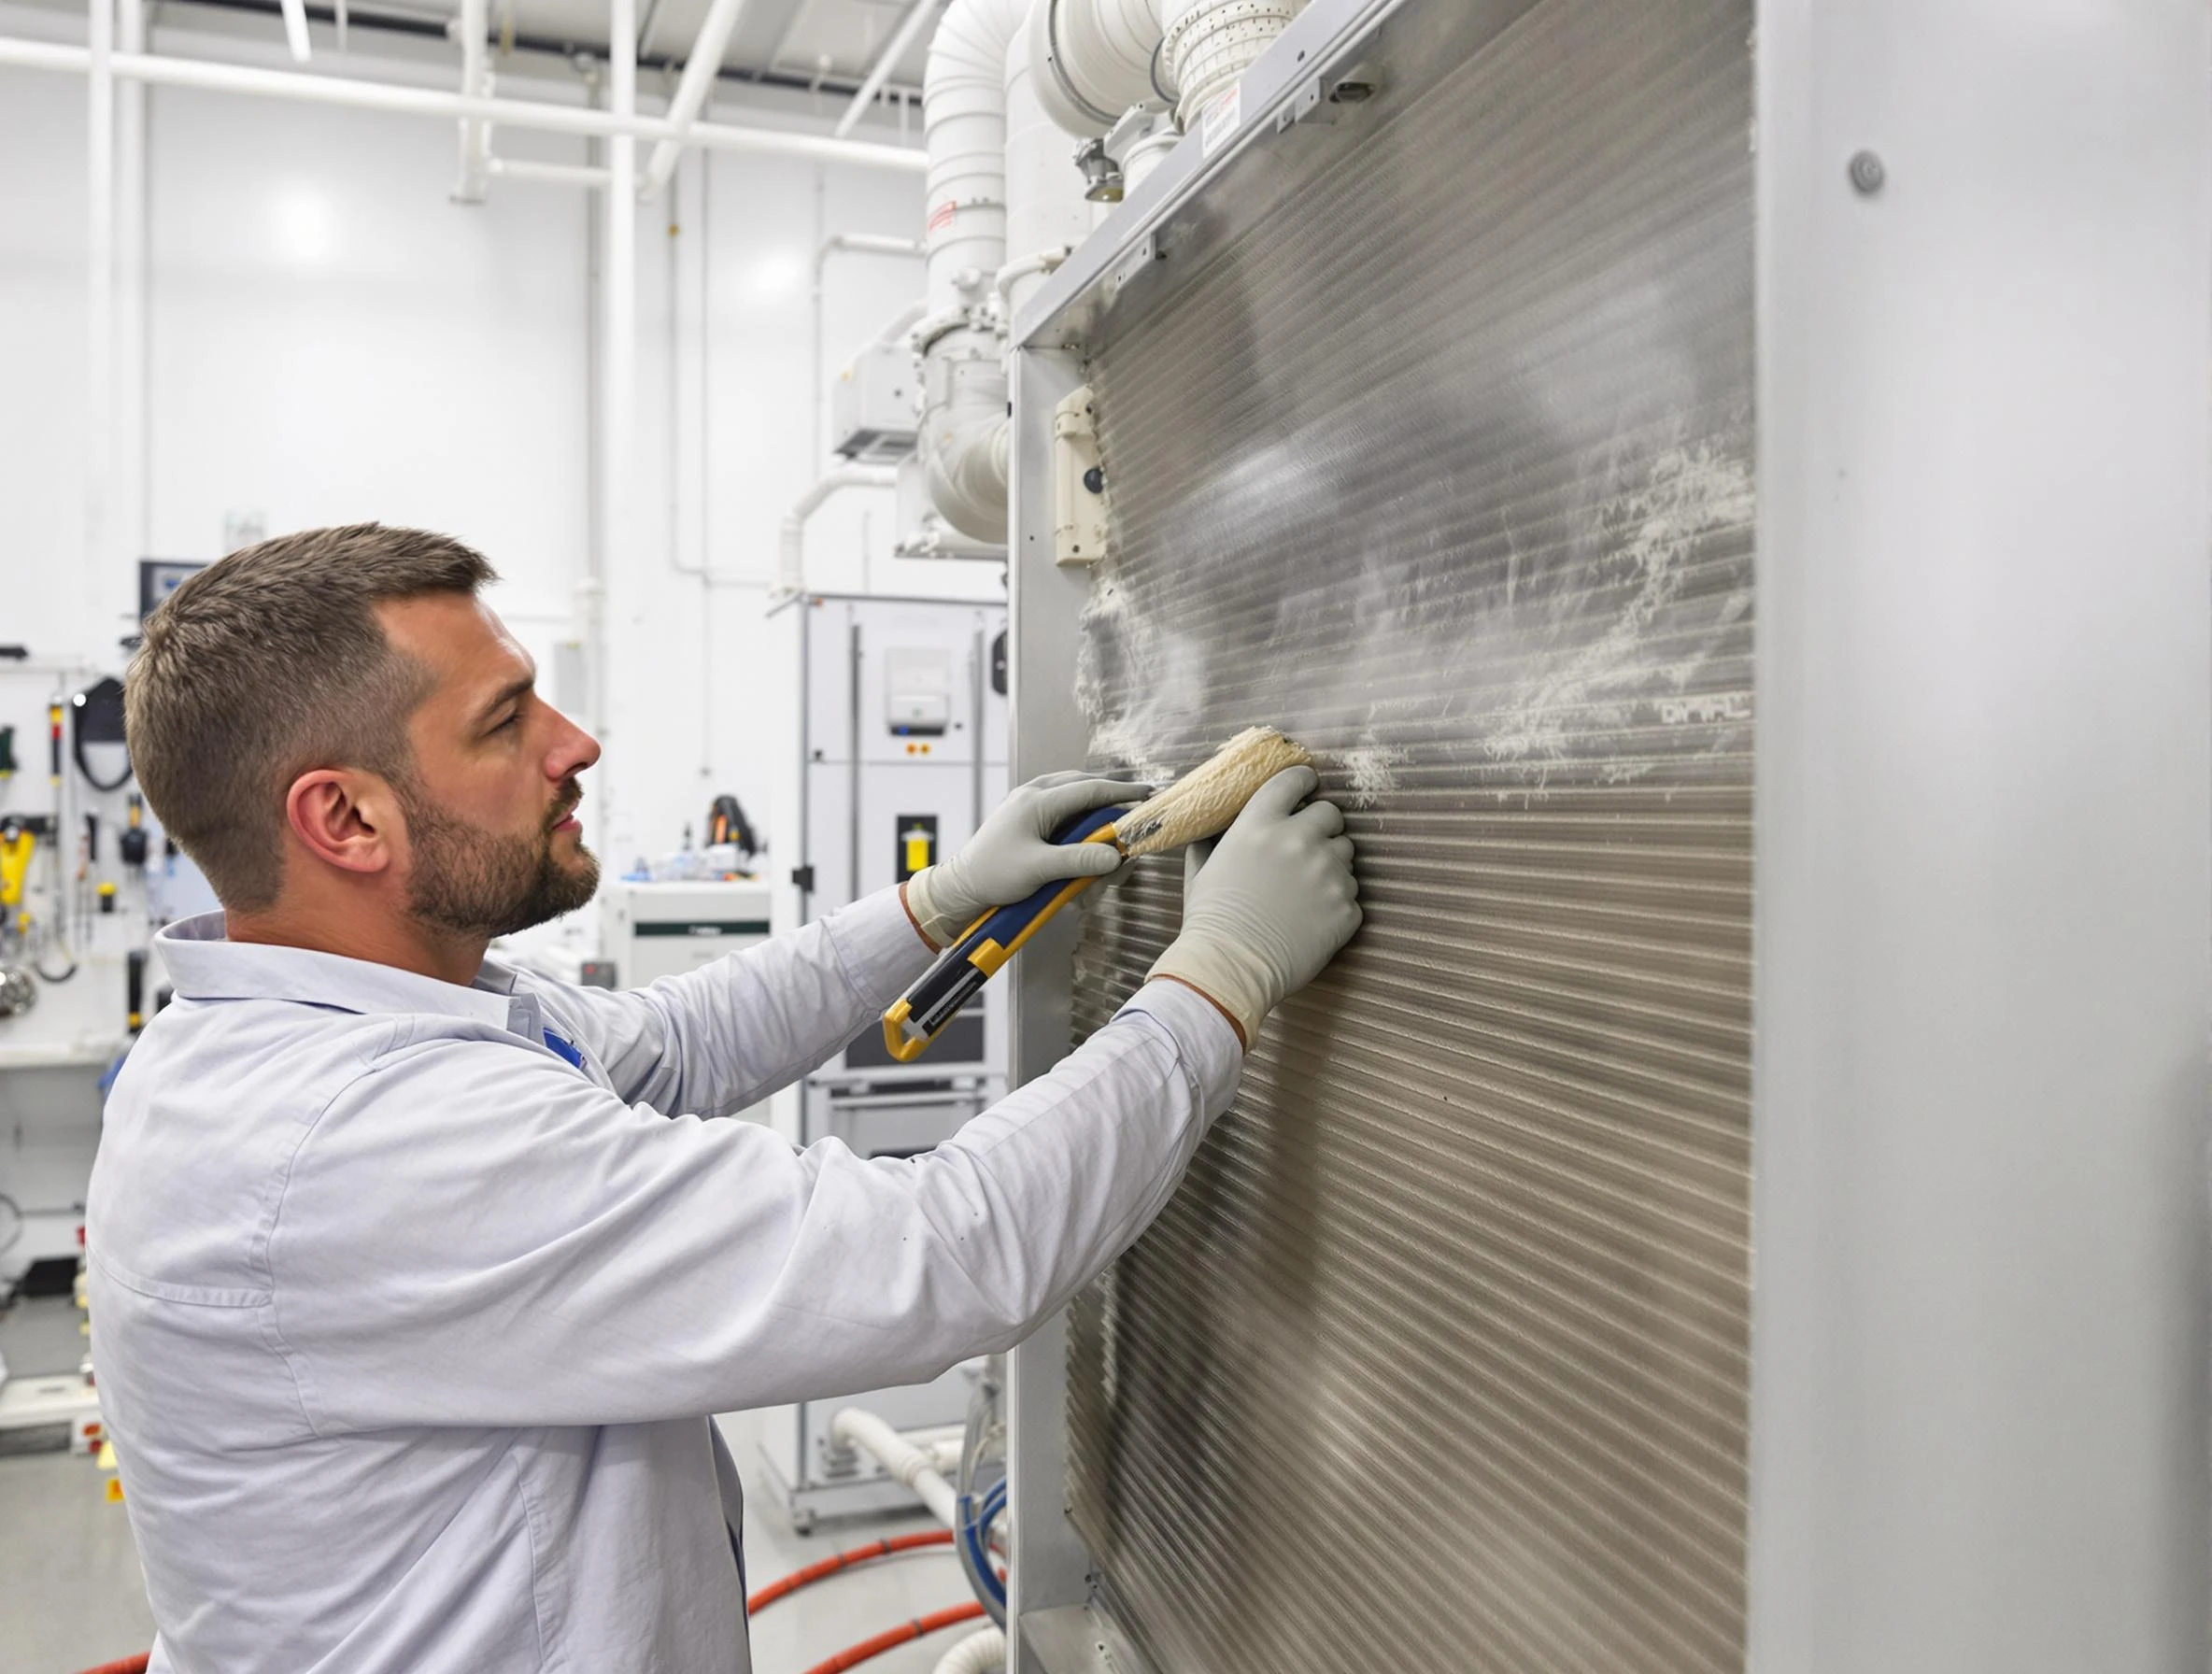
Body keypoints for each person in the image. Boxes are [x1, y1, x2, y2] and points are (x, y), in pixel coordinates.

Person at [88, 523, 1361, 1673]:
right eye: (505, 720)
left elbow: (678, 1043)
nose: (575, 745)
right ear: (346, 820)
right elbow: (927, 1258)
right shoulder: (360, 1139)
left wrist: (941, 900)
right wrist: (1217, 982)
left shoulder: (328, 1019)